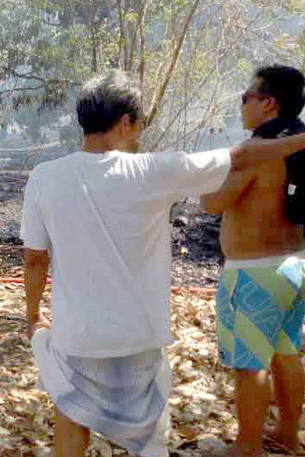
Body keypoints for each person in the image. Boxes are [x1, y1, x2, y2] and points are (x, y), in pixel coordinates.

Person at [23, 70, 305, 457]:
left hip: (77, 337)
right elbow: (241, 155)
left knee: (72, 419)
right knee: (149, 438)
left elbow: (35, 260)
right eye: (139, 124)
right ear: (125, 122)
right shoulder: (153, 171)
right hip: (140, 337)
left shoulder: (44, 178)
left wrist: (33, 316)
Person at [200, 65, 305, 457]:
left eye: (246, 98)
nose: (241, 105)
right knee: (286, 352)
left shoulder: (261, 150)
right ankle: (288, 435)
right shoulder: (297, 142)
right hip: (296, 264)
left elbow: (213, 202)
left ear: (269, 103)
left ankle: (247, 446)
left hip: (255, 273)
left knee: (250, 362)